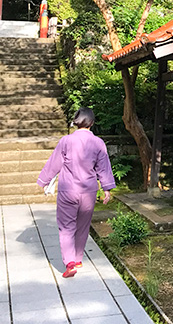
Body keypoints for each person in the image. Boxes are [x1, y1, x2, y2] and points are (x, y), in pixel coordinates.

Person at [37, 107, 116, 278]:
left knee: (66, 227)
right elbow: (103, 168)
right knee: (82, 225)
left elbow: (55, 163)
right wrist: (107, 189)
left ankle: (70, 262)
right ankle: (78, 258)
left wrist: (43, 181)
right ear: (92, 123)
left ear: (76, 121)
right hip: (89, 191)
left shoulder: (66, 141)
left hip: (68, 190)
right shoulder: (98, 143)